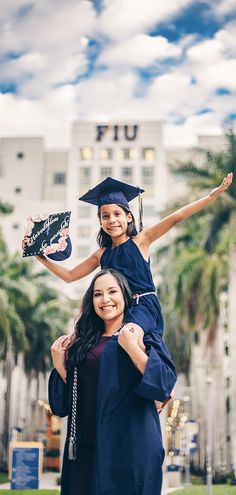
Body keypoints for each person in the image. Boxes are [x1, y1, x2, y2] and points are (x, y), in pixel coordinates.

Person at [26, 173, 233, 343]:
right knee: (71, 343)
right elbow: (70, 276)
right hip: (114, 310)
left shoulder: (140, 242)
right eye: (105, 216)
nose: (112, 220)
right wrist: (40, 256)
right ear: (100, 222)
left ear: (129, 217)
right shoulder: (102, 254)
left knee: (128, 335)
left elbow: (175, 218)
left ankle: (159, 392)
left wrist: (211, 197)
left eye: (117, 214)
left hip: (142, 308)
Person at [49, 268, 177, 495]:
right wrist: (60, 365)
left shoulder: (143, 336)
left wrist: (131, 347)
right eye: (98, 294)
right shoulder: (82, 343)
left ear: (125, 296)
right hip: (87, 446)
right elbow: (62, 406)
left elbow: (163, 386)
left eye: (112, 291)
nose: (105, 299)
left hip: (131, 446)